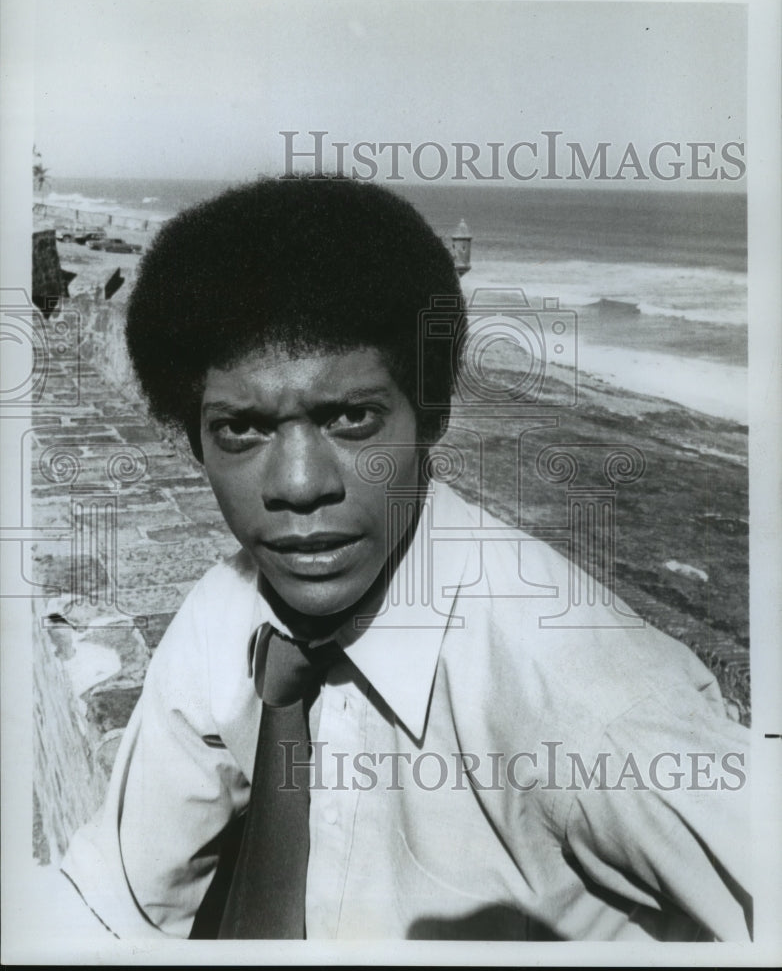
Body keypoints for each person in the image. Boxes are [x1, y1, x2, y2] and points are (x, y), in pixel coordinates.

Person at [60, 176, 751, 942]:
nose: (299, 486)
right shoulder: (225, 617)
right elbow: (113, 903)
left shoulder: (585, 695)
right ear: (193, 440)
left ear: (433, 413)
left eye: (351, 418)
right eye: (242, 431)